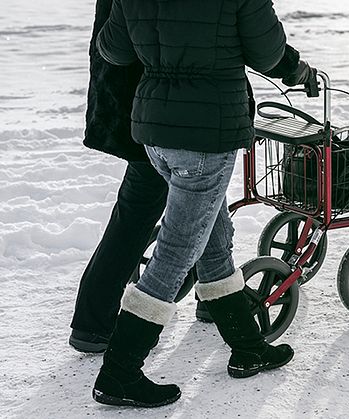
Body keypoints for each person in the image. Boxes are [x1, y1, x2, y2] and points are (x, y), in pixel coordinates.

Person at [91, 0, 317, 408]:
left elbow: (112, 50)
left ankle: (248, 346)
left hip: (153, 130)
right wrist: (298, 70)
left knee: (213, 239)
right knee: (176, 253)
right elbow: (267, 53)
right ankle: (119, 372)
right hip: (206, 133)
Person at [69, 0, 214, 355]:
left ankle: (213, 296)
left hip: (142, 102)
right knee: (154, 205)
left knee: (202, 200)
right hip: (161, 108)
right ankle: (93, 322)